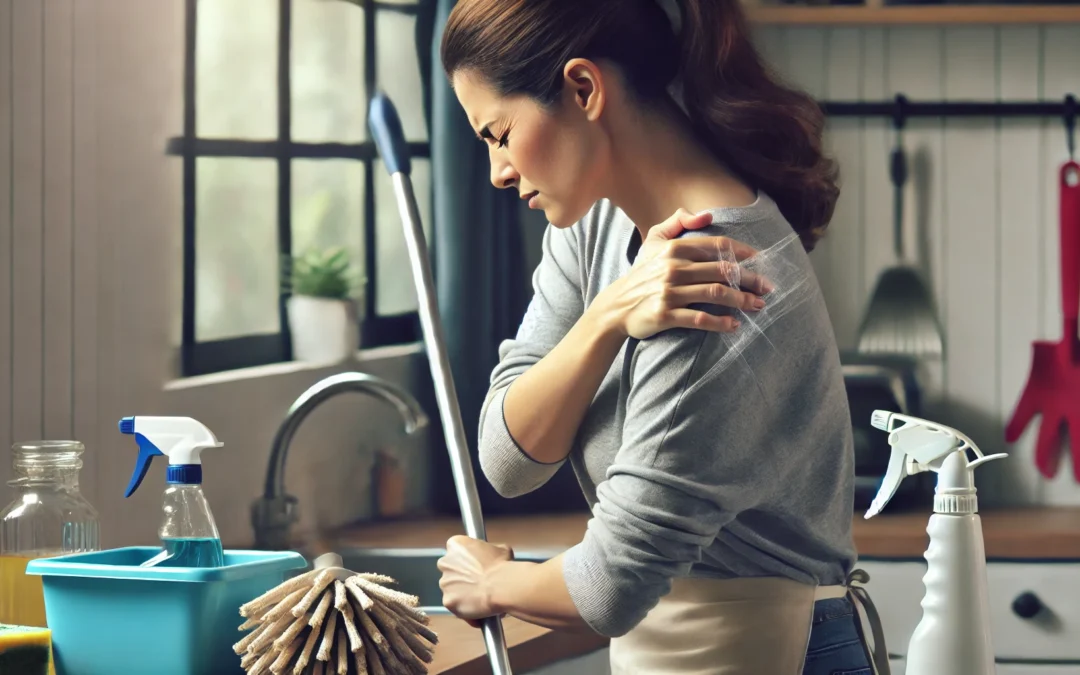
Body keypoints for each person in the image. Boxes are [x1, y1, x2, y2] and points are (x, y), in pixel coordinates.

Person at [434, 0, 888, 673]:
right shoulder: (593, 225)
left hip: (778, 652)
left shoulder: (720, 277)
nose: (499, 170)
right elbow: (509, 459)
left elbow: (610, 583)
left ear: (583, 89)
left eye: (499, 133)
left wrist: (493, 584)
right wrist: (607, 316)